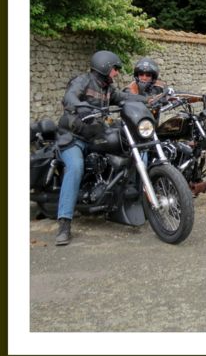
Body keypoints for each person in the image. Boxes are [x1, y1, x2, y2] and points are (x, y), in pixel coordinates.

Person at [54, 50, 147, 246]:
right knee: (76, 167)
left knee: (123, 149)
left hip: (94, 136)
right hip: (73, 137)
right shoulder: (82, 81)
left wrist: (149, 100)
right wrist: (80, 106)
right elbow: (69, 97)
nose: (117, 73)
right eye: (115, 69)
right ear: (104, 66)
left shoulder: (108, 88)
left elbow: (124, 97)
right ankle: (64, 223)